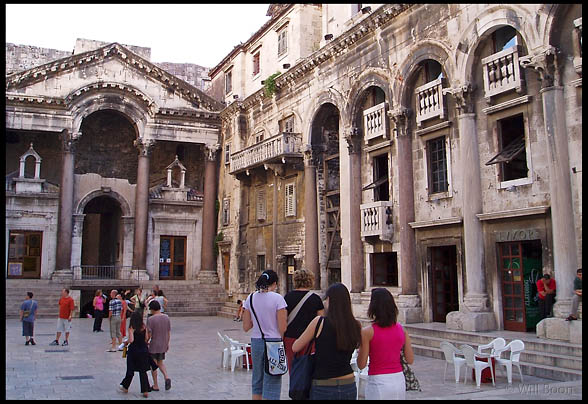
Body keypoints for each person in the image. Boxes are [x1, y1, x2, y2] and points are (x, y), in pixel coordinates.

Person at [293, 282, 361, 400]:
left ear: (329, 300)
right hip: (348, 383)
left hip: (323, 385)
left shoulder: (319, 323)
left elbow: (295, 347)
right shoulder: (356, 325)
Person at [357, 288, 414, 400]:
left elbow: (361, 364)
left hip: (378, 381)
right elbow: (410, 359)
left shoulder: (367, 332)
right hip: (398, 379)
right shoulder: (402, 330)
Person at [242, 270, 288, 400]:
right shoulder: (278, 298)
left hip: (256, 341)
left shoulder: (250, 298)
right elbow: (282, 326)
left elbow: (246, 326)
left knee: (257, 378)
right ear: (274, 283)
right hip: (274, 341)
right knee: (273, 380)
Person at [283, 269, 325, 368]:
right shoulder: (315, 298)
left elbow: (283, 320)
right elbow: (321, 320)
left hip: (291, 338)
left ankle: (294, 383)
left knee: (293, 368)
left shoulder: (287, 297)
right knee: (309, 368)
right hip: (310, 339)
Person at [119, 311, 152, 398]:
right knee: (143, 371)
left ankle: (125, 386)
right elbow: (146, 339)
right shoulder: (143, 326)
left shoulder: (131, 327)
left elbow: (131, 340)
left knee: (130, 370)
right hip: (143, 350)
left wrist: (126, 341)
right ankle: (145, 390)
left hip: (133, 351)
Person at [147, 300, 172, 391]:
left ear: (152, 309)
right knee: (160, 362)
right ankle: (166, 377)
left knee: (153, 365)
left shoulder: (151, 319)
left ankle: (156, 385)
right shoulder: (166, 317)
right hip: (163, 343)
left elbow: (149, 334)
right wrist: (167, 343)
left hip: (154, 344)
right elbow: (168, 332)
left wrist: (146, 341)